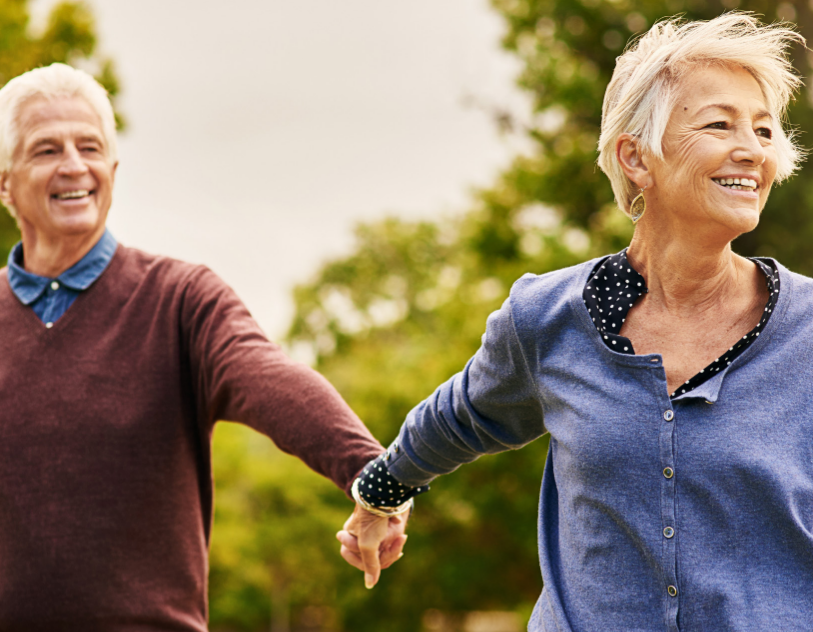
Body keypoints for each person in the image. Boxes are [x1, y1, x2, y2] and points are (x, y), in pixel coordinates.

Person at [337, 12, 813, 631]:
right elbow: (462, 416)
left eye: (765, 130)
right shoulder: (547, 320)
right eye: (719, 124)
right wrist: (379, 496)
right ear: (636, 158)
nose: (752, 149)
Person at [0, 63, 407, 631]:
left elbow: (270, 380)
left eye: (89, 146)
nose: (74, 165)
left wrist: (377, 476)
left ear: (112, 169)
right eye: (46, 150)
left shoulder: (180, 300)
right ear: (4, 182)